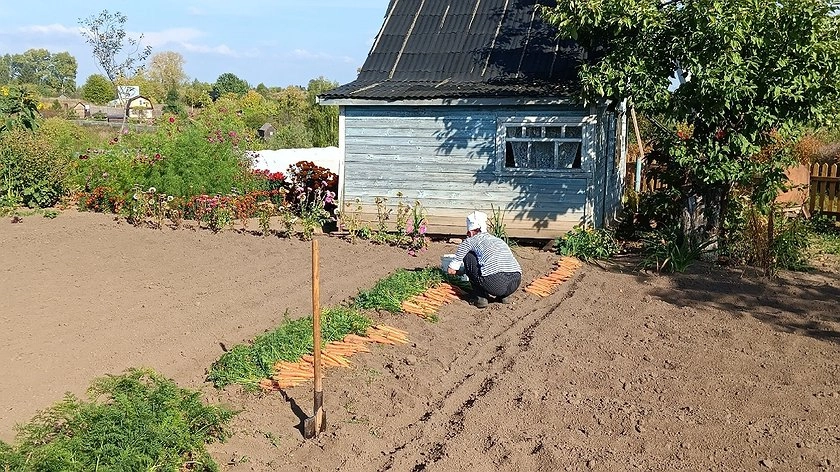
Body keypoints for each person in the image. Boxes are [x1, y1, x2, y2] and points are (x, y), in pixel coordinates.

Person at [447, 211, 522, 308]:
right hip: (515, 282)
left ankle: (480, 298)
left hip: (495, 284)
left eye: (468, 233)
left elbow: (451, 270)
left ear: (470, 232)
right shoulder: (498, 240)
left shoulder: (469, 241)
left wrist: (461, 272)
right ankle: (504, 297)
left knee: (468, 256)